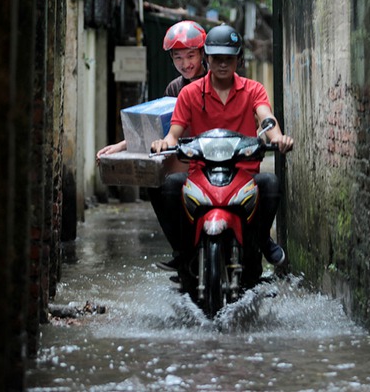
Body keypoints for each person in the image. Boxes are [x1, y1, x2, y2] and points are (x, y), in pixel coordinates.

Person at [151, 23, 293, 272]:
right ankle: (183, 250)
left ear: (238, 59)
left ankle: (261, 240)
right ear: (208, 58)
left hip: (244, 174)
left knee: (270, 183)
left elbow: (266, 117)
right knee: (170, 185)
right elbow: (174, 133)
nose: (223, 64)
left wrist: (278, 136)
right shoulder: (188, 93)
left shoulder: (253, 89)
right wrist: (165, 143)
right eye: (217, 58)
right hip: (200, 174)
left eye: (229, 58)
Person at [96, 20, 208, 158]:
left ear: (202, 53)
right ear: (171, 57)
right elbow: (157, 128)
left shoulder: (216, 83)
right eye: (178, 57)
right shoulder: (174, 88)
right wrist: (121, 146)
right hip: (184, 158)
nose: (185, 64)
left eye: (191, 56)